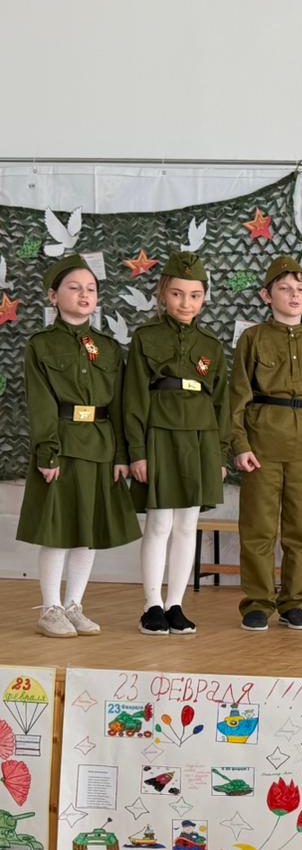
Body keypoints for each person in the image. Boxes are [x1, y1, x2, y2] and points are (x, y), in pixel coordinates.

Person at [17, 254, 141, 637]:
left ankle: (74, 605)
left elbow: (119, 404)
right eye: (74, 287)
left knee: (88, 530)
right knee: (59, 529)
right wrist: (47, 450)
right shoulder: (41, 345)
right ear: (53, 296)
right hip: (63, 446)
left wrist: (121, 455)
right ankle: (50, 608)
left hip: (100, 447)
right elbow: (40, 403)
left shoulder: (107, 348)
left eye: (91, 289)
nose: (84, 294)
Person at [229, 256, 302, 632]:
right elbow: (238, 397)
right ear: (267, 295)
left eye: (300, 290)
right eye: (284, 289)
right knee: (258, 529)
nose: (293, 296)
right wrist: (240, 444)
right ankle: (257, 603)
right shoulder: (253, 339)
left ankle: (295, 602)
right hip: (262, 443)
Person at [124, 252, 230, 636]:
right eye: (177, 294)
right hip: (160, 435)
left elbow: (222, 403)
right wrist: (137, 452)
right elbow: (134, 398)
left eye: (195, 295)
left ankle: (175, 605)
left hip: (200, 438)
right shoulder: (146, 337)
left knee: (187, 524)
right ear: (162, 293)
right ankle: (152, 604)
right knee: (159, 523)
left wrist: (220, 454)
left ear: (204, 298)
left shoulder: (211, 345)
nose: (186, 303)